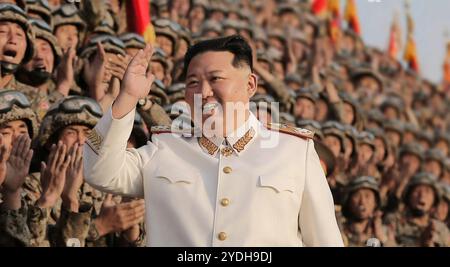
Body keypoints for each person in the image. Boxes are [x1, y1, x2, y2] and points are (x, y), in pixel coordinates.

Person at [83, 35, 343, 247]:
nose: (203, 92)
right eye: (193, 82)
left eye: (216, 79)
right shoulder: (165, 148)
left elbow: (325, 241)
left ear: (250, 84)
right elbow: (99, 171)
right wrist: (128, 96)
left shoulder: (293, 150)